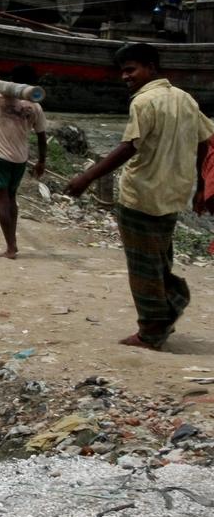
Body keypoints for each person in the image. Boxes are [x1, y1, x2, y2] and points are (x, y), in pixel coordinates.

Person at [64, 43, 213, 350]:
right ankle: (166, 308)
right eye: (123, 71)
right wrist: (199, 186)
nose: (125, 77)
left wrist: (87, 177)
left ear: (151, 67)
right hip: (173, 196)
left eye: (131, 69)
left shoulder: (143, 102)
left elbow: (128, 146)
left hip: (141, 195)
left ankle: (152, 329)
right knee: (159, 258)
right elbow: (204, 143)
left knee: (143, 266)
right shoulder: (186, 99)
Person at [0, 65, 47, 259]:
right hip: (20, 158)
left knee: (2, 200)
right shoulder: (35, 107)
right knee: (12, 198)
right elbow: (42, 137)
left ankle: (10, 247)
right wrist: (41, 161)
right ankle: (13, 243)